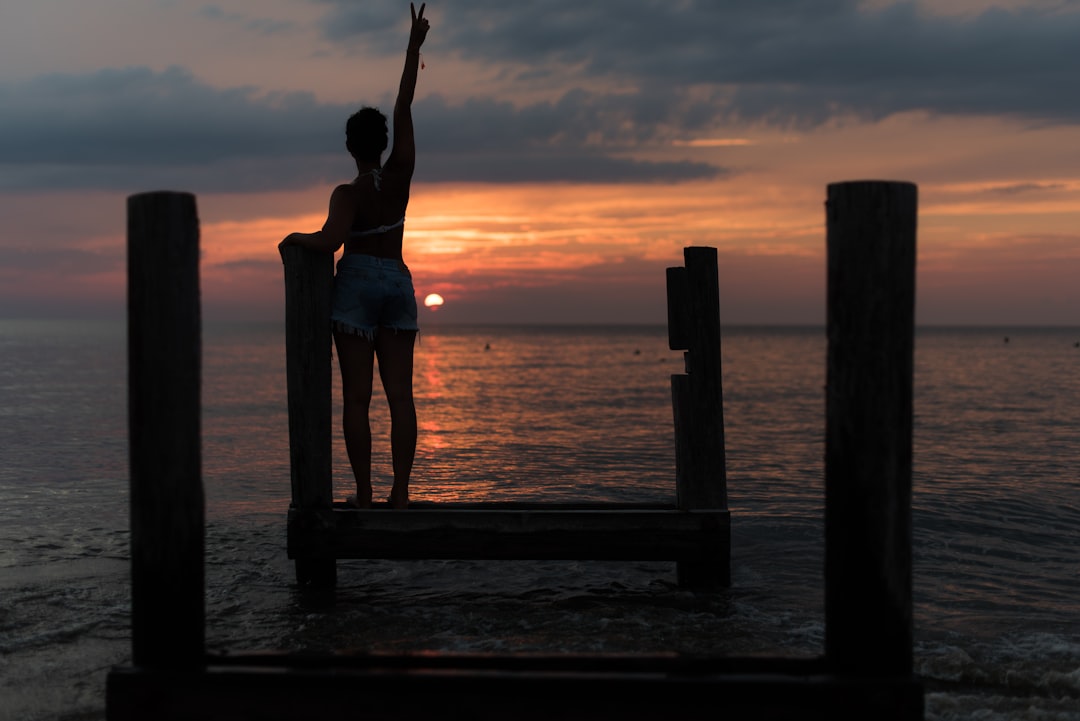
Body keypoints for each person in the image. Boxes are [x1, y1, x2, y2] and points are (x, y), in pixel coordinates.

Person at [279, 3, 430, 509]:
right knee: (401, 398)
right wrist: (413, 48)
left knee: (359, 400)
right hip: (399, 282)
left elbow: (329, 241)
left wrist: (296, 238)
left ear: (349, 147)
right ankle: (402, 494)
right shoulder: (402, 174)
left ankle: (365, 495)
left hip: (359, 284)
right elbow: (404, 104)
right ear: (384, 142)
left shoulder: (347, 193)